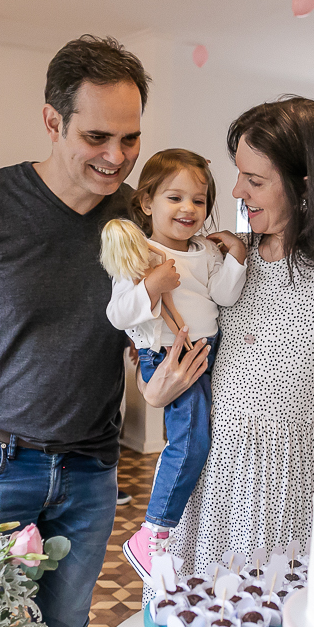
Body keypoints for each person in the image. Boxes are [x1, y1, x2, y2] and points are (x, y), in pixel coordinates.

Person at [0, 36, 209, 627]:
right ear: (53, 121)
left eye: (131, 138)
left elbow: (148, 324)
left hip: (91, 473)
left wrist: (156, 385)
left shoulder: (138, 218)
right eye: (98, 136)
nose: (118, 158)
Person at [144, 96, 314, 577]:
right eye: (238, 175)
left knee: (261, 622)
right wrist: (155, 389)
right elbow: (163, 327)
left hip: (275, 488)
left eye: (253, 180)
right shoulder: (225, 255)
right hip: (201, 472)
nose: (235, 191)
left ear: (304, 184)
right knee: (188, 618)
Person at [100, 149, 247, 578]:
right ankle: (152, 533)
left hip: (207, 351)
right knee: (190, 443)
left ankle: (176, 532)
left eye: (198, 201)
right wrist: (152, 284)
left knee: (204, 442)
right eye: (174, 198)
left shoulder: (205, 251)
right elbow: (118, 315)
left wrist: (236, 254)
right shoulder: (139, 252)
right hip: (169, 355)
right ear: (147, 203)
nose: (188, 209)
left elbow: (225, 296)